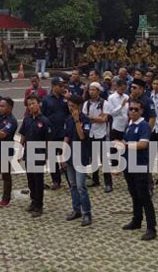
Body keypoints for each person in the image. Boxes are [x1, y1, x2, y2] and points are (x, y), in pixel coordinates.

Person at [119, 99, 157, 241]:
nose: (133, 112)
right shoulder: (129, 124)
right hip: (128, 165)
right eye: (131, 109)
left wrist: (126, 145)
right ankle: (136, 220)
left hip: (140, 165)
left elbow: (142, 145)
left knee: (145, 197)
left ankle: (151, 227)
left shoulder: (143, 125)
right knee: (134, 195)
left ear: (141, 111)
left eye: (136, 109)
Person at [19, 94, 50, 217]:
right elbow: (23, 136)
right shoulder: (27, 119)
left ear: (39, 104)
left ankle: (39, 205)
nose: (31, 106)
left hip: (39, 154)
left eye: (33, 103)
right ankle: (33, 201)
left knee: (38, 181)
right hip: (28, 153)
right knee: (30, 179)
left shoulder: (44, 121)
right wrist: (20, 151)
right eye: (29, 104)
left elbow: (48, 140)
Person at [64, 95, 92, 226]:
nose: (70, 109)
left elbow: (82, 136)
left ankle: (87, 213)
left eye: (73, 107)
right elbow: (66, 137)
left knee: (81, 186)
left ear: (79, 107)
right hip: (70, 156)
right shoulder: (68, 119)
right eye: (69, 106)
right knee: (73, 185)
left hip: (81, 156)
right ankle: (76, 210)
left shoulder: (85, 120)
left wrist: (77, 121)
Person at [83, 82, 112, 192]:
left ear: (98, 91)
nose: (91, 92)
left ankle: (108, 183)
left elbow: (104, 119)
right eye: (90, 90)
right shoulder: (87, 104)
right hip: (91, 134)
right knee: (93, 158)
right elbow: (84, 118)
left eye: (94, 90)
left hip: (102, 134)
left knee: (104, 160)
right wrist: (96, 119)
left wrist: (92, 118)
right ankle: (95, 180)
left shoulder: (105, 103)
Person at [42, 77, 69, 189]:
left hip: (64, 134)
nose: (62, 88)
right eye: (60, 85)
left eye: (63, 86)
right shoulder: (46, 99)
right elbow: (43, 116)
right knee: (53, 159)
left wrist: (68, 99)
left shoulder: (66, 99)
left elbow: (71, 113)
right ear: (54, 86)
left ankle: (70, 182)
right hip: (52, 134)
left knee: (66, 158)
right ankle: (56, 181)